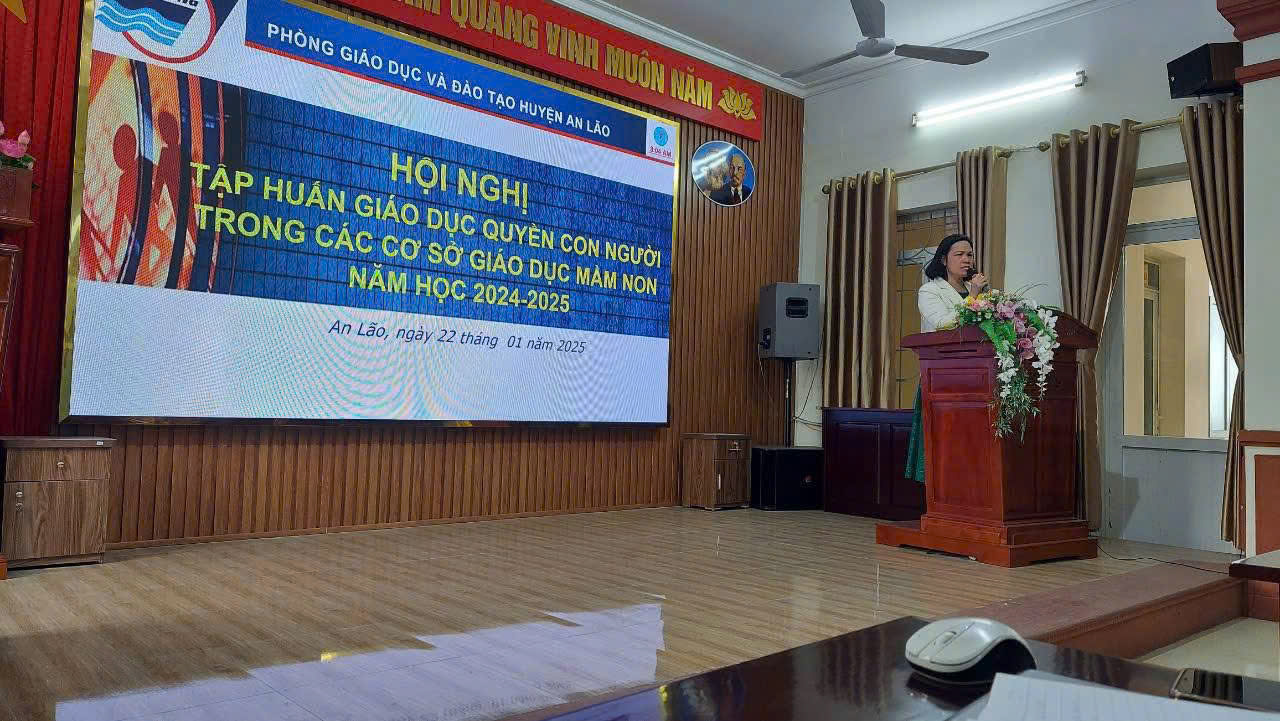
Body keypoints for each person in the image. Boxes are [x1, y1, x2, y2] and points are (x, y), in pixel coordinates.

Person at [904, 234, 987, 483]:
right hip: (942, 377)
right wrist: (974, 296)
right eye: (959, 254)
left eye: (969, 254)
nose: (966, 259)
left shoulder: (981, 292)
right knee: (942, 452)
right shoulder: (930, 290)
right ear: (943, 259)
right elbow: (943, 323)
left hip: (978, 378)